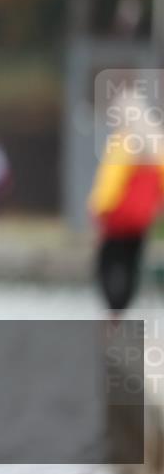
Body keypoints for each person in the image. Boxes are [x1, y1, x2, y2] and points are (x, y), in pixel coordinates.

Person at [89, 86, 164, 312]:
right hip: (140, 223)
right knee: (131, 268)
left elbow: (109, 185)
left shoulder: (123, 143)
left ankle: (115, 317)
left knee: (109, 268)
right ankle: (125, 310)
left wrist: (97, 210)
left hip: (117, 222)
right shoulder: (156, 148)